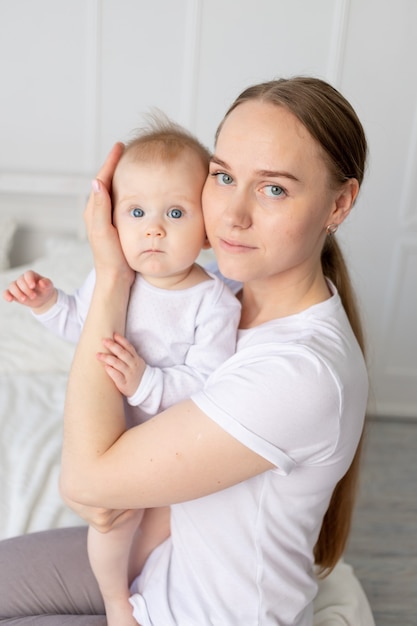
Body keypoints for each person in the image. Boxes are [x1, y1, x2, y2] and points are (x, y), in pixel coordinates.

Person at [0, 76, 370, 626]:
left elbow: (84, 480)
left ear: (338, 204)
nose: (232, 215)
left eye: (274, 189)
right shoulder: (224, 286)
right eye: (223, 176)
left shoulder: (299, 372)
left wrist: (110, 274)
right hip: (157, 566)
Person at [2, 120, 241, 626]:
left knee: (166, 533)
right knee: (112, 523)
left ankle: (161, 595)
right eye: (136, 212)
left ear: (206, 230)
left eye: (175, 212)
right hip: (113, 437)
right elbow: (86, 333)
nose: (154, 228)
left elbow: (211, 382)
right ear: (113, 221)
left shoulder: (212, 301)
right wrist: (48, 305)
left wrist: (145, 382)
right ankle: (115, 602)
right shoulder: (114, 279)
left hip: (171, 444)